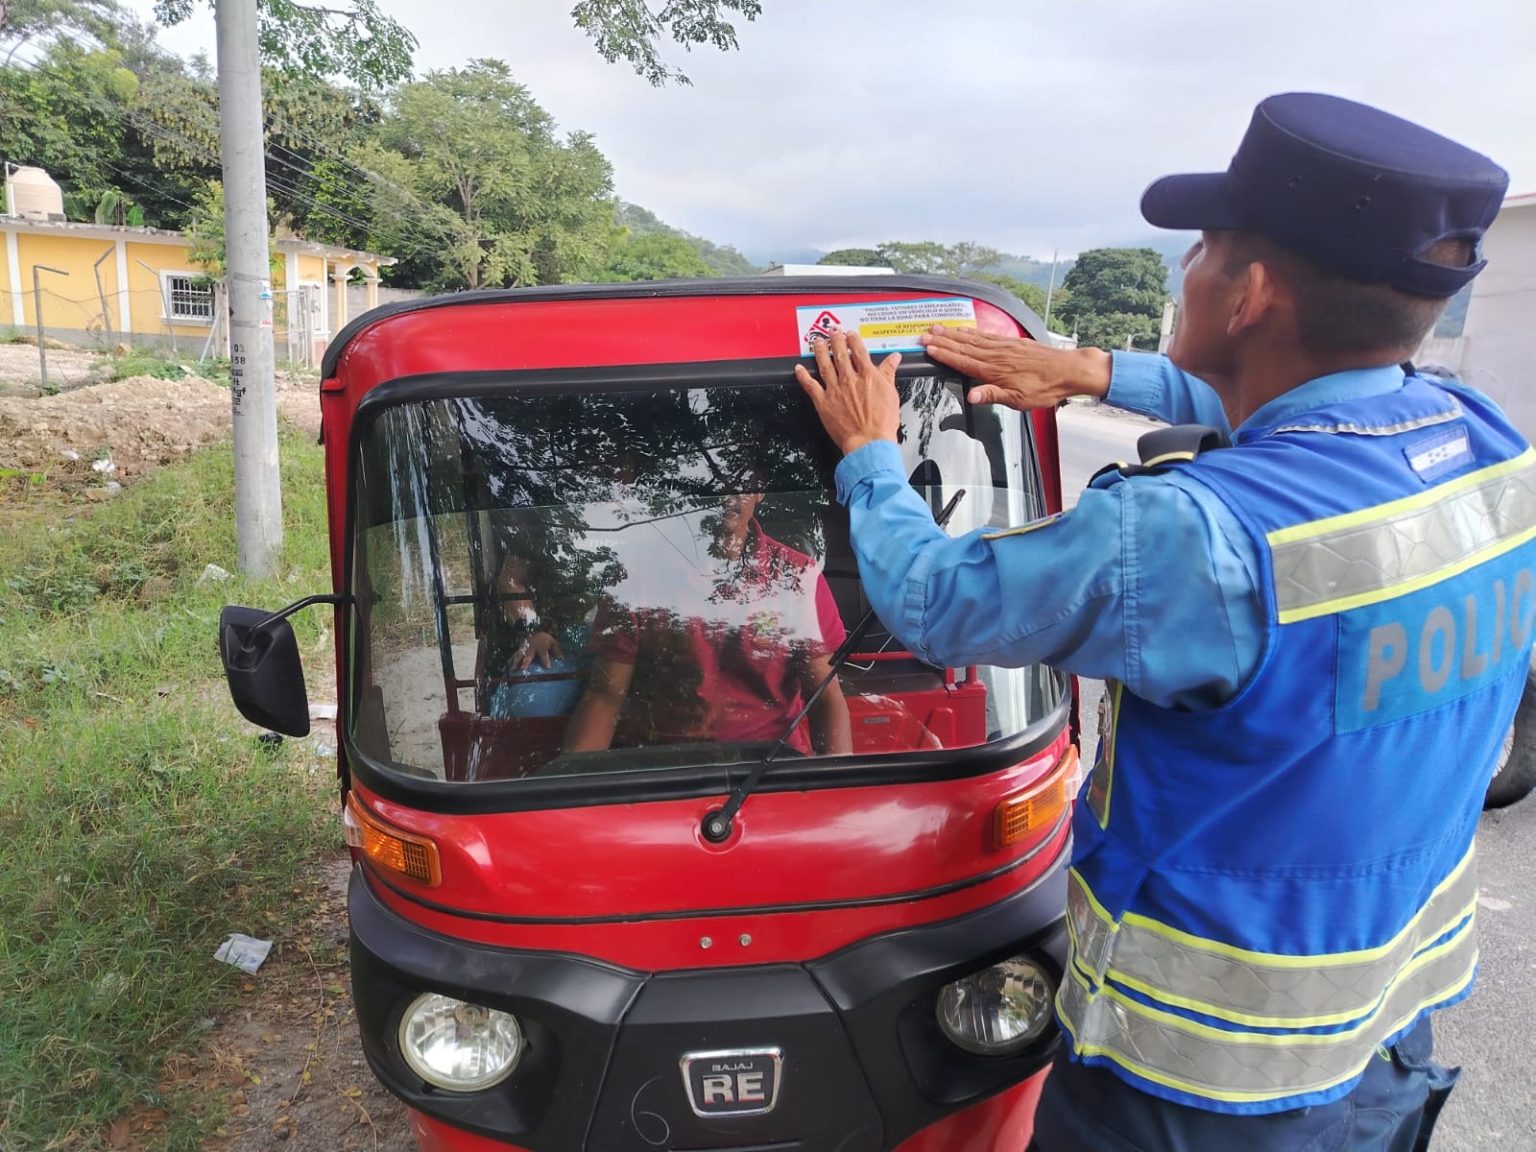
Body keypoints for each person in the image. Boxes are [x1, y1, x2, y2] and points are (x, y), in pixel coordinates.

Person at [796, 92, 1526, 1152]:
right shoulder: (1483, 441)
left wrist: (870, 454)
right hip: (1385, 1044)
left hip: (1196, 1084)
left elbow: (935, 602)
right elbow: (1304, 410)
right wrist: (1095, 371)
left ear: (1251, 295)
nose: (1188, 267)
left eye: (1204, 249)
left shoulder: (1188, 536)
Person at [562, 476, 854, 757]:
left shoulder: (797, 576)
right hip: (663, 765)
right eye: (710, 480)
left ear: (760, 489)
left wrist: (834, 781)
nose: (726, 494)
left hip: (770, 767)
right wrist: (574, 781)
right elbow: (605, 695)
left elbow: (824, 696)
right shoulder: (637, 576)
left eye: (739, 479)